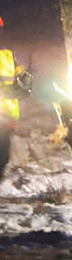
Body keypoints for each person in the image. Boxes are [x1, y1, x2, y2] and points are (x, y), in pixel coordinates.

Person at [0, 17, 34, 175]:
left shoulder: (7, 55)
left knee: (3, 158)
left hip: (7, 117)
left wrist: (25, 81)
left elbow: (19, 73)